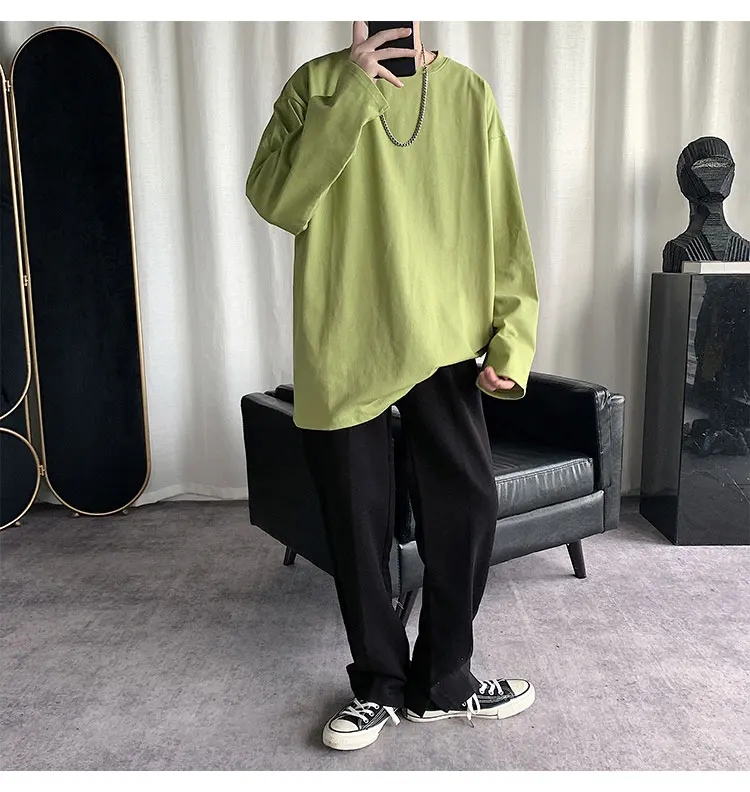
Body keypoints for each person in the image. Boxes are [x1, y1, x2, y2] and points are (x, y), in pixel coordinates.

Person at [246, 21, 540, 751]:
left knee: (468, 505)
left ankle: (443, 682)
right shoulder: (316, 85)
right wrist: (351, 90)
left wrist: (513, 335)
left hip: (445, 338)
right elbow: (277, 201)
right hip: (344, 337)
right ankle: (378, 684)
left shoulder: (467, 93)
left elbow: (505, 225)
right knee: (356, 522)